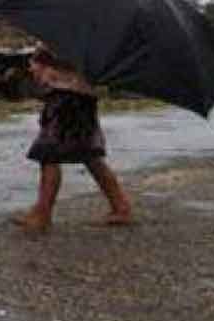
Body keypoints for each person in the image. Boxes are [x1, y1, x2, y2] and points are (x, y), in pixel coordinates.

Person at [13, 44, 133, 232]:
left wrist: (38, 63)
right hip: (80, 96)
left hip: (67, 98)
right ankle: (121, 207)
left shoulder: (65, 37)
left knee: (48, 154)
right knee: (90, 155)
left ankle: (42, 215)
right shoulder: (90, 37)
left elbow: (49, 64)